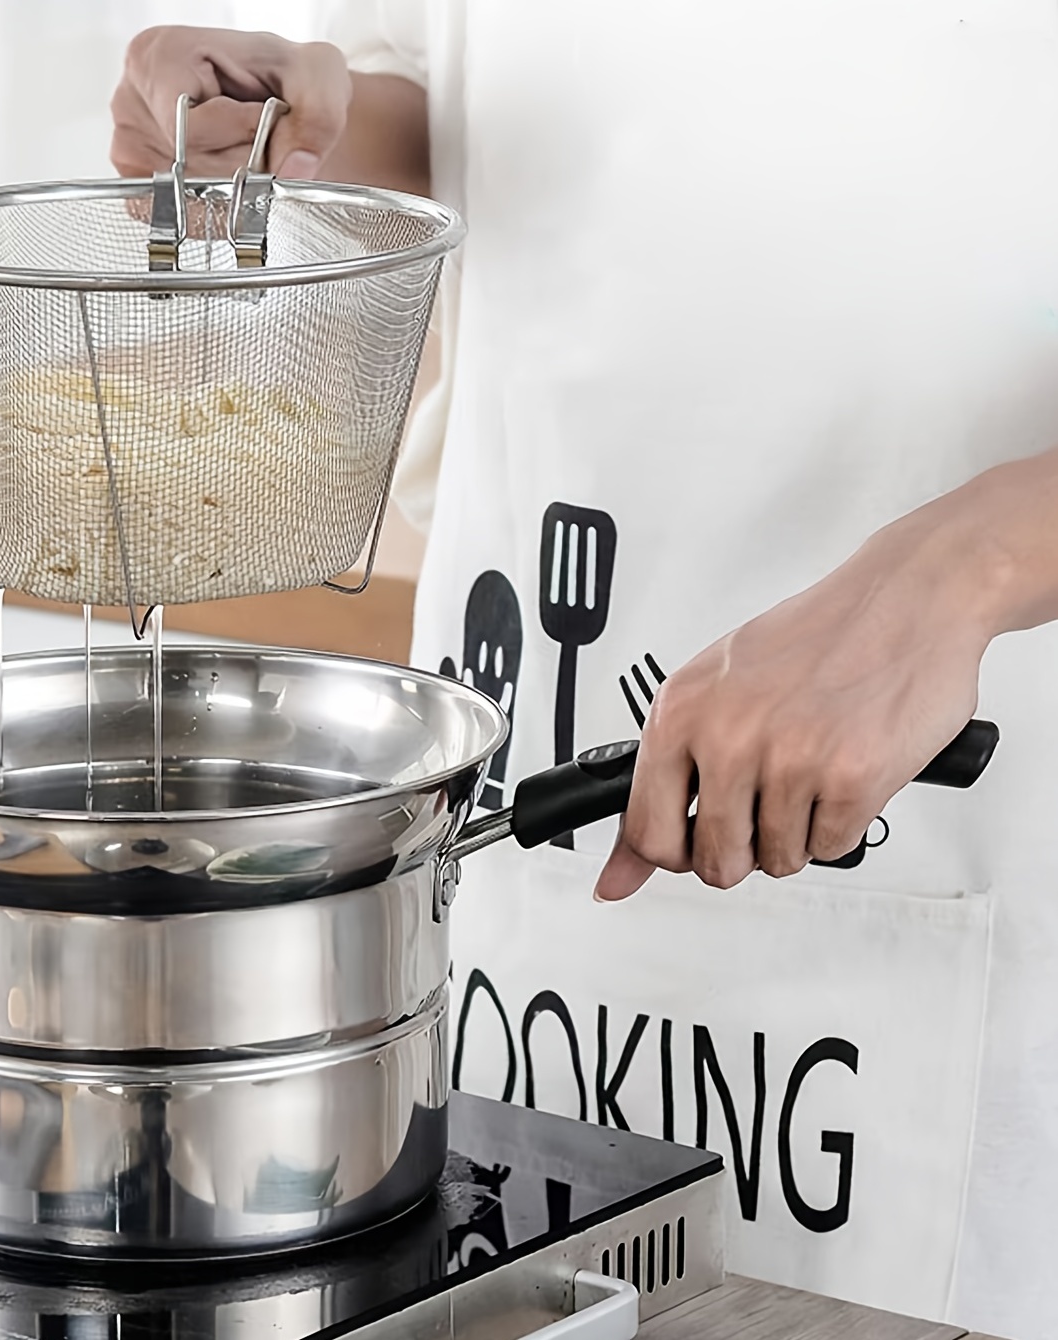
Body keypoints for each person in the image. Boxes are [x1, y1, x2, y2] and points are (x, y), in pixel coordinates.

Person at [111, 8, 1058, 1335]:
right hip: (532, 862)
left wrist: (960, 569)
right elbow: (525, 122)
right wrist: (295, 125)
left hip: (980, 835)